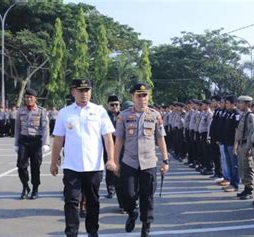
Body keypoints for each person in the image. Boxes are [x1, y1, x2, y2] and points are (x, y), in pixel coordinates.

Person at [50, 79, 117, 237]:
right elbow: (58, 139)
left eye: (87, 90)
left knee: (93, 202)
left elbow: (108, 137)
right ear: (73, 92)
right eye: (81, 90)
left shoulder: (99, 111)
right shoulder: (64, 113)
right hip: (72, 166)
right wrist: (54, 162)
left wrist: (111, 159)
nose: (84, 93)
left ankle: (92, 231)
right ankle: (71, 232)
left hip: (94, 166)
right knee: (71, 201)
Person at [113, 83, 169, 237]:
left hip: (149, 162)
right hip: (129, 161)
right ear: (133, 97)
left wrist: (165, 160)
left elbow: (160, 139)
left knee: (148, 196)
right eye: (139, 95)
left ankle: (146, 226)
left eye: (145, 95)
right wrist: (115, 162)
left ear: (148, 97)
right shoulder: (123, 116)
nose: (142, 98)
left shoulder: (155, 115)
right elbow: (119, 141)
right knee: (128, 194)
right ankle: (132, 212)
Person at [14, 89, 50, 200]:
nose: (28, 99)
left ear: (35, 99)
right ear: (24, 98)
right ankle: (25, 186)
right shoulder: (20, 111)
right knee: (21, 166)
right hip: (24, 141)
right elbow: (17, 128)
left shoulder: (41, 111)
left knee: (36, 167)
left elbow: (45, 128)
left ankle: (35, 188)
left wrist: (46, 143)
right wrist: (16, 143)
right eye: (26, 97)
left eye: (31, 97)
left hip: (36, 142)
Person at [234, 95, 254, 196]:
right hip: (242, 144)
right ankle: (245, 186)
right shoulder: (243, 115)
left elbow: (251, 133)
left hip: (246, 145)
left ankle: (249, 188)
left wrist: (249, 147)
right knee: (242, 167)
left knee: (248, 167)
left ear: (247, 104)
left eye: (241, 103)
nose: (238, 105)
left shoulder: (250, 116)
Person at [221, 96, 240, 192]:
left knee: (234, 165)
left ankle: (235, 184)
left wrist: (235, 145)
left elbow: (237, 130)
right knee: (229, 164)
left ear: (234, 104)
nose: (226, 104)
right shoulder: (229, 113)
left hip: (232, 143)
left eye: (228, 103)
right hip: (226, 142)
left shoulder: (236, 114)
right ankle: (230, 181)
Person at [208, 95, 223, 179]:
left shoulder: (220, 111)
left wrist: (218, 138)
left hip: (217, 138)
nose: (212, 103)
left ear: (218, 102)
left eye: (213, 101)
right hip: (213, 137)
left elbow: (219, 127)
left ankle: (220, 173)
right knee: (215, 155)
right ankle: (217, 172)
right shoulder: (216, 111)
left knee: (218, 156)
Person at [198, 100, 214, 175]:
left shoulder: (209, 114)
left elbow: (209, 126)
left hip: (206, 134)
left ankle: (210, 167)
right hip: (202, 134)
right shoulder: (204, 113)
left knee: (208, 152)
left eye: (204, 104)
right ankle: (206, 166)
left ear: (207, 105)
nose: (202, 106)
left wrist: (208, 136)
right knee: (204, 151)